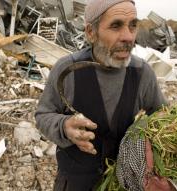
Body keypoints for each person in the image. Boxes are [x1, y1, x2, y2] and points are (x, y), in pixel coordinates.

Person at [35, 0, 167, 190]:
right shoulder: (68, 70)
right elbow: (43, 115)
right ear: (91, 32)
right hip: (74, 183)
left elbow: (163, 117)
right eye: (116, 26)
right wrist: (64, 127)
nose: (128, 37)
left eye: (133, 25)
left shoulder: (142, 73)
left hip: (124, 183)